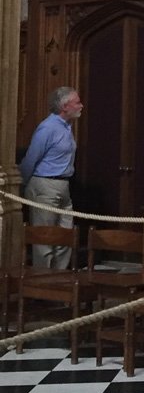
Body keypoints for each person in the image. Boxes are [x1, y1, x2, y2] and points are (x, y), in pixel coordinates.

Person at [19, 85, 83, 269]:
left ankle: (59, 279)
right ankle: (42, 282)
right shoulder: (48, 128)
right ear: (64, 107)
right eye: (77, 102)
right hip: (45, 185)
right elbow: (32, 158)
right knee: (44, 237)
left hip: (63, 185)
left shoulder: (66, 127)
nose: (81, 106)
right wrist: (22, 185)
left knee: (65, 236)